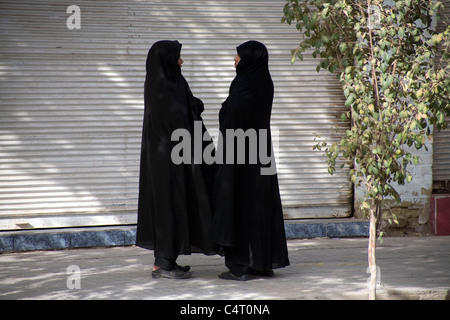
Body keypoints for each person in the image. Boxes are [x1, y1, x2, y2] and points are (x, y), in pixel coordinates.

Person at [210, 40, 290, 281]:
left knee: (241, 204)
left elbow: (232, 113)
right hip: (260, 152)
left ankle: (242, 264)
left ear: (249, 59)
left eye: (238, 57)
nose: (235, 61)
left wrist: (223, 109)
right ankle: (261, 263)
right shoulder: (264, 81)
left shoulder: (244, 83)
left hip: (241, 156)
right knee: (261, 206)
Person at [136, 40, 216, 279]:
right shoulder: (162, 86)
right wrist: (194, 106)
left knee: (176, 205)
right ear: (167, 60)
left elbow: (186, 111)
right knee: (167, 206)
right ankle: (161, 264)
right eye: (177, 57)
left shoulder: (170, 82)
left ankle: (169, 260)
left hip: (176, 157)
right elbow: (178, 117)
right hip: (166, 161)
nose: (181, 61)